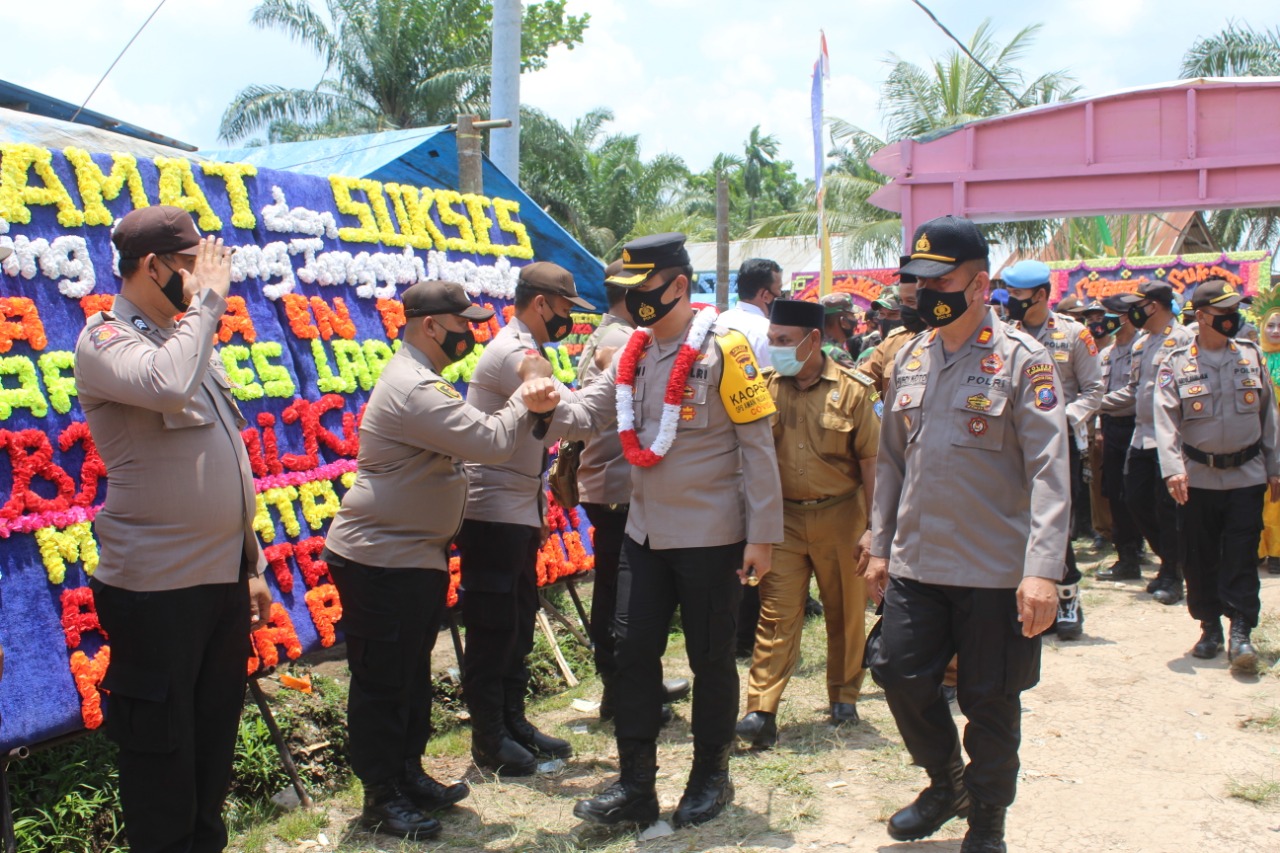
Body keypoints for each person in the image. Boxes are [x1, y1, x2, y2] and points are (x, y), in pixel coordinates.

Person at [527, 232, 784, 829]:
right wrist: (543, 402)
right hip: (643, 536)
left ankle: (710, 776)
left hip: (711, 536)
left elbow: (758, 447)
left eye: (643, 288)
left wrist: (763, 536)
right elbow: (585, 412)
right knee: (632, 653)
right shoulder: (633, 351)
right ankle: (635, 785)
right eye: (627, 290)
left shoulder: (726, 350)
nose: (634, 299)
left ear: (677, 285)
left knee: (710, 659)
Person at [865, 215, 1069, 853]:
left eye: (941, 280)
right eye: (919, 281)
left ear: (980, 285)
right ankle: (945, 781)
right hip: (917, 562)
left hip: (993, 571)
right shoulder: (910, 357)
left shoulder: (1024, 361)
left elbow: (1050, 470)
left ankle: (986, 822)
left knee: (990, 701)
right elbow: (891, 461)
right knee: (896, 671)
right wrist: (879, 545)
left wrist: (1042, 571)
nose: (926, 292)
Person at [73, 206, 273, 853]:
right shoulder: (106, 340)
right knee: (162, 757)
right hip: (156, 590)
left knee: (213, 745)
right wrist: (207, 302)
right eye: (191, 265)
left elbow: (229, 464)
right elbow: (164, 386)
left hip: (218, 581)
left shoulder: (188, 342)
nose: (206, 276)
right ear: (153, 267)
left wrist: (251, 565)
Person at [323, 280, 554, 837]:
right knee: (383, 681)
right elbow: (492, 442)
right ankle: (381, 798)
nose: (470, 334)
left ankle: (407, 774)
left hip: (409, 556)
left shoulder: (424, 380)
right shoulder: (414, 388)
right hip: (380, 558)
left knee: (409, 677)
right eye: (462, 325)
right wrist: (524, 396)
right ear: (430, 325)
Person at [456, 261, 594, 776]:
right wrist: (613, 391)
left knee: (516, 621)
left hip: (515, 506)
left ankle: (513, 722)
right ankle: (489, 738)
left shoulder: (528, 348)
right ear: (540, 303)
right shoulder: (514, 353)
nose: (567, 319)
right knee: (493, 627)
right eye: (564, 308)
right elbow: (569, 416)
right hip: (492, 510)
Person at [735, 299, 880, 749]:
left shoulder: (855, 391)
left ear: (813, 340)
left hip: (843, 516)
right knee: (776, 614)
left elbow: (873, 464)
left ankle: (844, 697)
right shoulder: (762, 388)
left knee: (846, 611)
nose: (775, 348)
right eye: (772, 340)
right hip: (783, 520)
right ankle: (761, 709)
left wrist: (874, 529)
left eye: (784, 340)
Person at [574, 265, 690, 721]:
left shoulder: (608, 335)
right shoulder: (627, 342)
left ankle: (630, 685)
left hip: (610, 479)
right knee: (624, 596)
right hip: (619, 482)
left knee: (617, 590)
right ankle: (624, 690)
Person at [1153, 279, 1280, 673]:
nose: (1232, 318)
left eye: (1234, 312)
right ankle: (1209, 626)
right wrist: (1173, 469)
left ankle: (1240, 629)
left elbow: (1269, 416)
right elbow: (1165, 420)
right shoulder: (1176, 362)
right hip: (1198, 479)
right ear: (1202, 316)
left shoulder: (1250, 356)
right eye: (1223, 312)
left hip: (1247, 475)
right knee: (1199, 556)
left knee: (1242, 554)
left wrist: (1275, 467)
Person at [1002, 261, 1103, 639]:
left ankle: (1068, 599)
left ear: (1041, 295)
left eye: (1018, 294)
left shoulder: (1073, 334)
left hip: (1057, 446)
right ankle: (1029, 602)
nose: (1011, 300)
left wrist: (1062, 419)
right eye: (1009, 293)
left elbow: (1094, 390)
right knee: (1020, 522)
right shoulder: (1003, 334)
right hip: (1011, 447)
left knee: (1055, 522)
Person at [1103, 282, 1195, 604]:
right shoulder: (1142, 344)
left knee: (1168, 509)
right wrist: (1094, 403)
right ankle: (1172, 560)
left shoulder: (1184, 339)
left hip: (1170, 439)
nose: (1133, 311)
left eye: (1137, 305)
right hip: (1141, 436)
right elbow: (1133, 391)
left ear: (1153, 306)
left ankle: (1173, 573)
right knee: (1135, 500)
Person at [1094, 295, 1146, 581]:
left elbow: (1136, 394)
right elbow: (1098, 390)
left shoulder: (1143, 348)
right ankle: (1127, 557)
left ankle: (1151, 549)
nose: (1104, 320)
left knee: (1139, 493)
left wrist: (1094, 404)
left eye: (1109, 314)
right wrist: (1099, 427)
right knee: (1115, 494)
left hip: (1138, 427)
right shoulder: (1105, 354)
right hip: (1112, 429)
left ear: (1125, 317)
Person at [860, 263, 926, 397]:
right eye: (882, 314)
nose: (886, 320)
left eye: (893, 314)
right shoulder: (889, 345)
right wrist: (878, 407)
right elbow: (860, 387)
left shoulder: (944, 337)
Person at [1254, 285, 1280, 575]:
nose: (1275, 331)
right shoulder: (1252, 360)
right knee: (1258, 495)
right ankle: (1257, 548)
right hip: (1258, 440)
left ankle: (1277, 552)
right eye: (1270, 325)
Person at [717, 257, 782, 368]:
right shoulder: (768, 332)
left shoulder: (717, 321)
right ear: (765, 296)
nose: (780, 294)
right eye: (779, 289)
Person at [818, 292, 861, 368]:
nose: (855, 320)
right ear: (843, 321)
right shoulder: (837, 354)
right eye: (852, 315)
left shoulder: (815, 346)